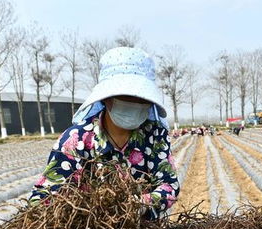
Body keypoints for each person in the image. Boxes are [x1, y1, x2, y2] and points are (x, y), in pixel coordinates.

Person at [29, 47, 179, 220]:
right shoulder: (78, 139)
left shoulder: (154, 136)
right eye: (126, 97)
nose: (136, 103)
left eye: (141, 99)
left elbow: (168, 184)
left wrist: (141, 204)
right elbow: (44, 197)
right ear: (106, 98)